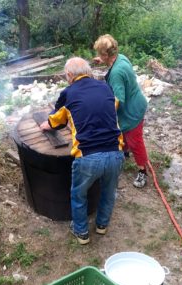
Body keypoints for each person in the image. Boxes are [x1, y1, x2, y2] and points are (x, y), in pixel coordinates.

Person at [39, 57, 124, 245]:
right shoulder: (105, 88)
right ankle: (102, 225)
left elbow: (58, 120)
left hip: (88, 156)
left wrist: (48, 124)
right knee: (109, 192)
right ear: (88, 71)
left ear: (69, 75)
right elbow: (114, 104)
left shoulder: (68, 93)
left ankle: (81, 232)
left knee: (79, 194)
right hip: (116, 152)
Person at [93, 34, 150, 189]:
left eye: (100, 54)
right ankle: (124, 152)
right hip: (137, 101)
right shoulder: (121, 58)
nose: (99, 56)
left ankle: (142, 171)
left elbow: (119, 100)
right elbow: (114, 66)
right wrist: (102, 61)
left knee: (135, 141)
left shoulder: (116, 73)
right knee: (121, 132)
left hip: (132, 112)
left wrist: (105, 115)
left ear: (106, 54)